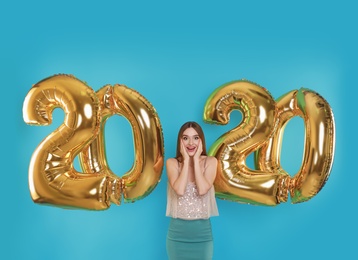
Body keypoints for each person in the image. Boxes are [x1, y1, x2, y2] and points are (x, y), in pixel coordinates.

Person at [166, 121, 219, 260]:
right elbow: (179, 190)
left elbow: (202, 190)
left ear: (201, 141)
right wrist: (186, 161)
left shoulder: (211, 162)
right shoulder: (172, 163)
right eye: (185, 138)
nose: (191, 143)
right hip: (177, 236)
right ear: (180, 141)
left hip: (203, 236)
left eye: (195, 138)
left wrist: (195, 160)